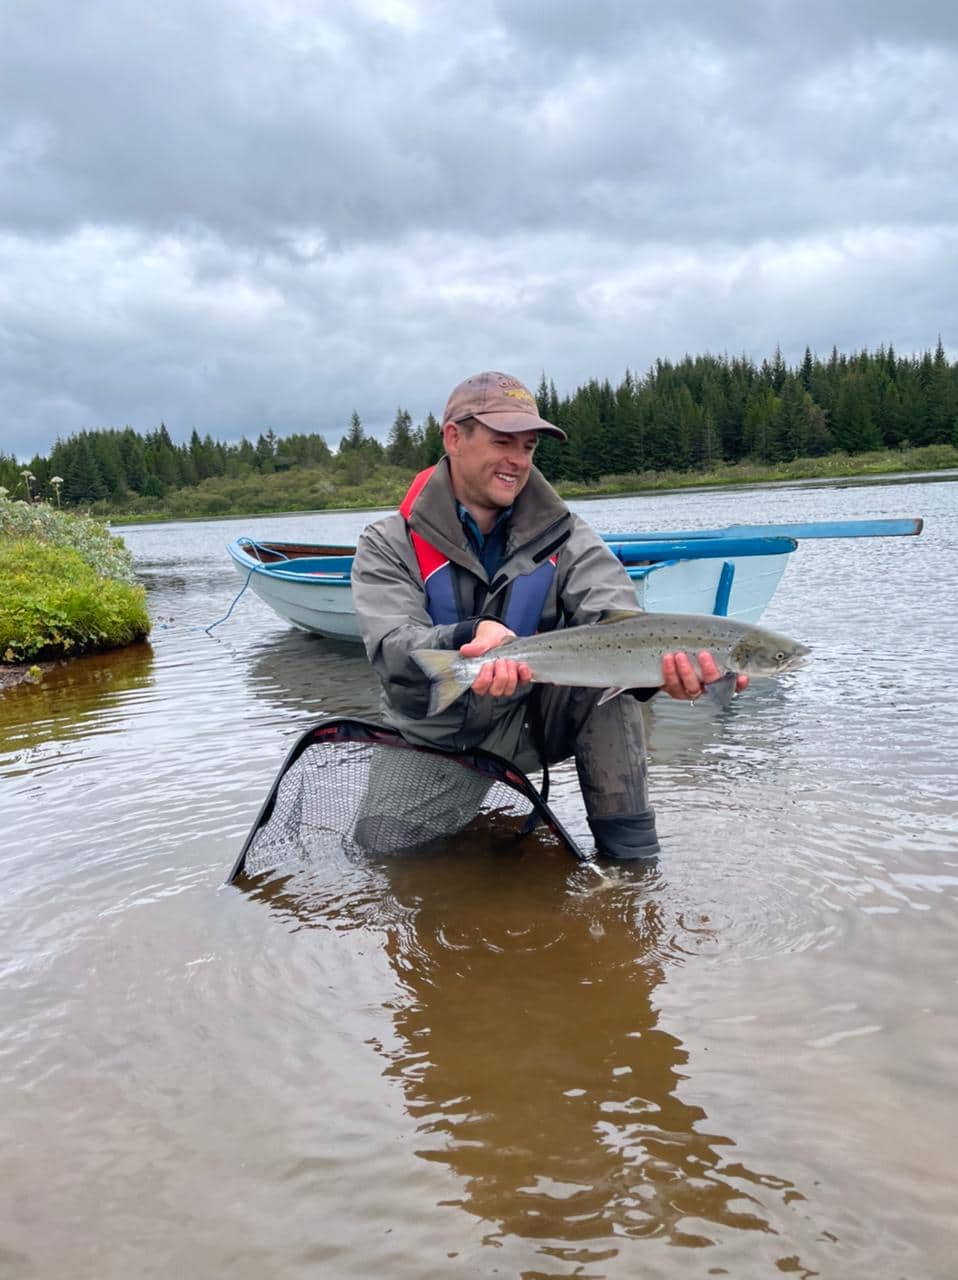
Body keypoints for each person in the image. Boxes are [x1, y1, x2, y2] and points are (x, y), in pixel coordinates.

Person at [351, 371, 744, 862]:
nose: (518, 461)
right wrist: (468, 635)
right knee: (383, 857)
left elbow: (619, 619)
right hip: (432, 734)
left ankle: (632, 867)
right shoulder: (386, 542)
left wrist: (660, 676)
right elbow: (392, 647)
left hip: (529, 721)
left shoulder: (566, 534)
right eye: (502, 442)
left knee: (609, 687)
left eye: (529, 447)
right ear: (454, 438)